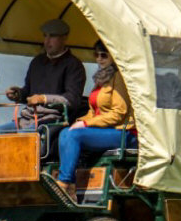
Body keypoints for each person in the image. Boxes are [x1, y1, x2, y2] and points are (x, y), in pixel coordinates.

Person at [55, 40, 135, 199]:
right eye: (96, 55)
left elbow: (119, 113)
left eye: (103, 55)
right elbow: (93, 112)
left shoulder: (118, 77)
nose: (99, 59)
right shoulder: (102, 79)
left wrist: (86, 124)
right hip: (105, 130)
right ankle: (71, 185)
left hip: (123, 132)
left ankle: (64, 182)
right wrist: (79, 122)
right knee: (65, 132)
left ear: (113, 56)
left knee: (73, 135)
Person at [0, 18, 86, 134]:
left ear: (64, 38)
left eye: (52, 36)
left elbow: (72, 99)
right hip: (27, 119)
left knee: (24, 137)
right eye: (45, 36)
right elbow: (28, 93)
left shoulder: (74, 65)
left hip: (52, 121)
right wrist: (18, 94)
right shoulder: (37, 62)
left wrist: (44, 99)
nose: (47, 41)